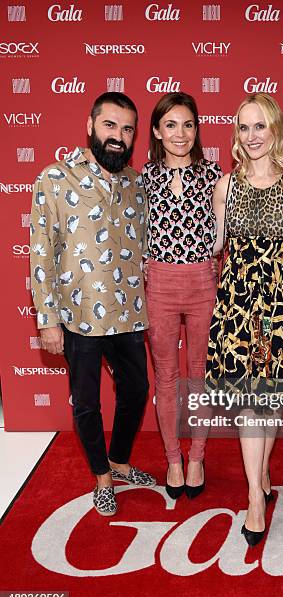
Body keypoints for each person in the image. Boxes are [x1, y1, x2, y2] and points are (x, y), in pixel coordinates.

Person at [30, 92, 156, 517]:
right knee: (86, 402)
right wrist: (47, 321)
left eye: (126, 130)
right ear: (91, 125)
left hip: (129, 314)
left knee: (137, 390)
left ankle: (119, 461)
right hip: (78, 316)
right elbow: (41, 253)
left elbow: (144, 248)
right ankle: (101, 476)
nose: (118, 136)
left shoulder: (138, 184)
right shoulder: (55, 179)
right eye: (110, 126)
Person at [206, 93, 283, 546]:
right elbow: (217, 247)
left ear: (275, 129)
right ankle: (256, 495)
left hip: (281, 300)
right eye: (243, 127)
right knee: (250, 401)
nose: (251, 136)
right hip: (237, 302)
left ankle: (261, 473)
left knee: (269, 397)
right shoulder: (225, 187)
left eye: (259, 126)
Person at [142, 92, 222, 499]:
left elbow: (223, 236)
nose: (180, 133)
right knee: (167, 378)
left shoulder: (214, 175)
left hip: (204, 283)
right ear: (157, 130)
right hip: (158, 283)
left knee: (199, 377)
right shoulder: (143, 177)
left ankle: (197, 456)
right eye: (170, 124)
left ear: (196, 130)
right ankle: (173, 457)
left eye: (188, 124)